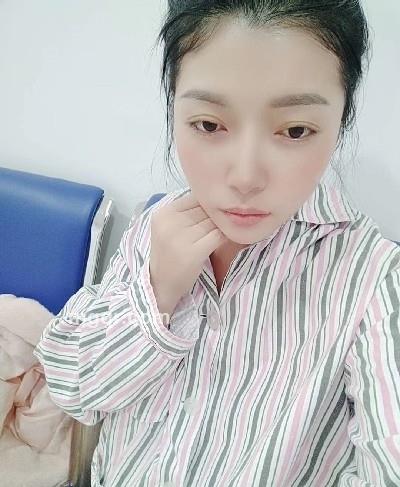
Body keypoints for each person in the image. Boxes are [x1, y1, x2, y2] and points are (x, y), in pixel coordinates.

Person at [34, 1, 400, 486]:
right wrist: (155, 295)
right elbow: (73, 388)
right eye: (209, 125)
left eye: (295, 130)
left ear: (340, 123)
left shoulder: (374, 278)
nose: (245, 177)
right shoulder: (153, 227)